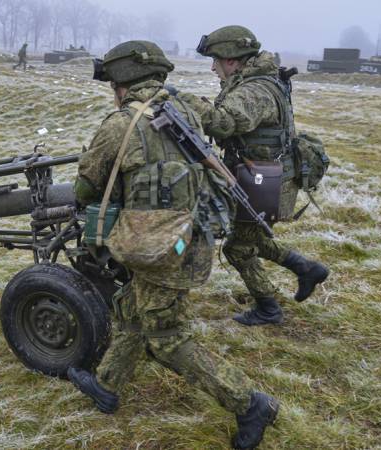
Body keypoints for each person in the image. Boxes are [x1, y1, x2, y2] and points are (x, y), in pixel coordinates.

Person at [66, 40, 279, 450]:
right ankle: (106, 385)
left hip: (159, 245)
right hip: (186, 237)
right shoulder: (183, 111)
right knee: (131, 306)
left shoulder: (120, 124)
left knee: (167, 339)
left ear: (120, 82)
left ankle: (250, 404)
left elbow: (84, 188)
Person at [180, 25, 329, 326]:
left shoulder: (254, 90)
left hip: (263, 182)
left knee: (238, 247)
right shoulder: (258, 81)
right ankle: (307, 269)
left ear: (232, 60)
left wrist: (182, 101)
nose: (212, 68)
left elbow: (224, 123)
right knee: (253, 237)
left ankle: (269, 308)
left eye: (215, 61)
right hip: (263, 177)